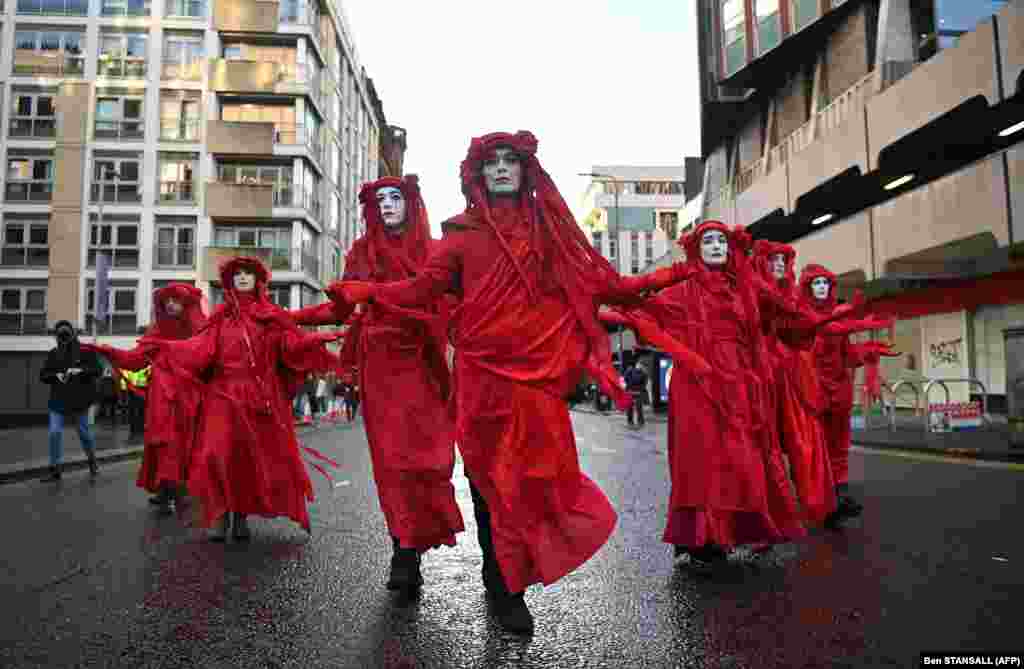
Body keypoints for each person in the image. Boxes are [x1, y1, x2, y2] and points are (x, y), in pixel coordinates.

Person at [334, 131, 679, 634]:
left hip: (534, 376)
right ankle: (503, 583)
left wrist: (657, 281)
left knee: (532, 477)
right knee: (486, 481)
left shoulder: (550, 234)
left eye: (509, 161)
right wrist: (369, 290)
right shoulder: (459, 233)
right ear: (478, 173)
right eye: (491, 161)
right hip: (480, 376)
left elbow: (599, 284)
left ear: (524, 171)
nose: (500, 168)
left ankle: (506, 576)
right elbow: (421, 290)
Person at [290, 174, 463, 598]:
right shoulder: (361, 252)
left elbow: (456, 303)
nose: (386, 204)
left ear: (410, 202)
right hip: (382, 365)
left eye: (395, 197)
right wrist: (290, 319)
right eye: (379, 199)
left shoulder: (436, 251)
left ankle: (416, 541)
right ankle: (404, 550)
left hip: (427, 363)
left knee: (432, 460)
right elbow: (341, 307)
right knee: (394, 463)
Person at [152, 257, 342, 542]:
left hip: (257, 396)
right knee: (215, 453)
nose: (242, 277)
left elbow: (289, 345)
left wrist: (311, 342)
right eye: (236, 273)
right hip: (221, 395)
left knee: (246, 459)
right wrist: (172, 349)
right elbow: (201, 350)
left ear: (258, 280)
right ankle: (220, 515)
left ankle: (240, 515)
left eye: (247, 273)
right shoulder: (219, 318)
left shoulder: (271, 316)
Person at [82, 283, 209, 512]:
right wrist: (108, 351)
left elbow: (209, 362)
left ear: (186, 303)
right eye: (166, 300)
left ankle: (174, 490)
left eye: (175, 299)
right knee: (162, 443)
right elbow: (135, 360)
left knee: (181, 444)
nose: (170, 304)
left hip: (188, 398)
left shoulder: (201, 331)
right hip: (161, 398)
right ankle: (166, 489)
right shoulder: (156, 332)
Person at [798, 264, 896, 527]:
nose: (821, 287)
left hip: (839, 389)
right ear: (807, 287)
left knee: (839, 443)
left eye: (825, 283)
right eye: (816, 283)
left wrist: (870, 352)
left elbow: (847, 354)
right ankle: (821, 496)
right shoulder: (802, 316)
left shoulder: (839, 316)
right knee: (818, 445)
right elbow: (823, 334)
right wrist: (856, 322)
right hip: (814, 389)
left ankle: (839, 491)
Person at [39, 321, 101, 482]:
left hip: (79, 401)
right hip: (58, 400)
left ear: (73, 334)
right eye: (60, 337)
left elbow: (98, 370)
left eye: (66, 336)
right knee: (54, 433)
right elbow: (43, 376)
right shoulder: (53, 353)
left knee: (83, 433)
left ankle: (92, 461)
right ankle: (55, 469)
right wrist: (56, 376)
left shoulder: (86, 351)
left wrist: (80, 371)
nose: (63, 340)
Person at [624, 363, 649, 427]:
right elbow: (626, 379)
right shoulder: (630, 371)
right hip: (631, 391)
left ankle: (640, 422)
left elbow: (644, 384)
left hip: (638, 392)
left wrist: (640, 390)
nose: (639, 366)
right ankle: (630, 421)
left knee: (638, 407)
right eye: (638, 364)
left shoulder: (644, 373)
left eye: (641, 365)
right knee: (630, 407)